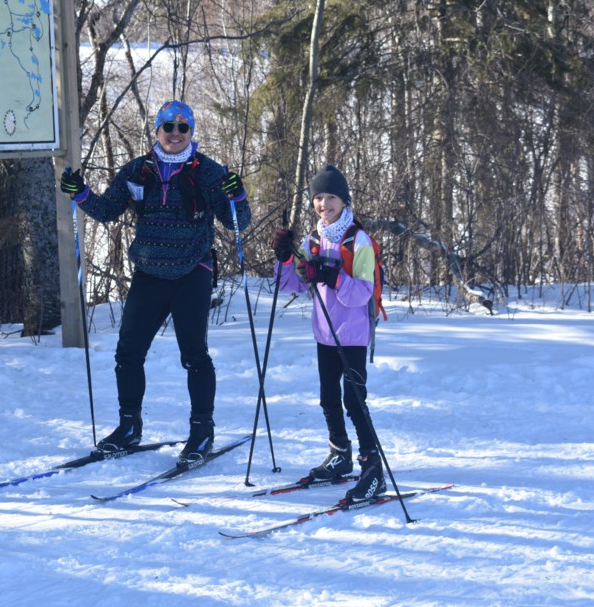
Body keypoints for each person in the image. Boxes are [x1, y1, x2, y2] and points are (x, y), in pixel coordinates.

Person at [60, 100, 251, 464]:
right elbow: (107, 210)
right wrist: (80, 192)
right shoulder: (137, 171)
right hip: (149, 273)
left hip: (192, 271)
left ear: (191, 132)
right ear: (157, 130)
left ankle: (201, 431)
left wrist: (237, 194)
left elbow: (237, 223)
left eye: (184, 127)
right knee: (128, 353)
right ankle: (129, 427)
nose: (176, 134)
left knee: (194, 355)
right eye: (169, 126)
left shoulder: (208, 172)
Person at [270, 164, 386, 501]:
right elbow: (290, 284)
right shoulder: (313, 239)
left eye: (330, 196)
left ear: (344, 200)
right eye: (318, 197)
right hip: (324, 333)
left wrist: (331, 276)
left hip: (352, 335)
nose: (324, 203)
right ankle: (339, 454)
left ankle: (372, 465)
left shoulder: (358, 240)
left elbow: (361, 293)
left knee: (354, 400)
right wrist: (284, 258)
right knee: (328, 398)